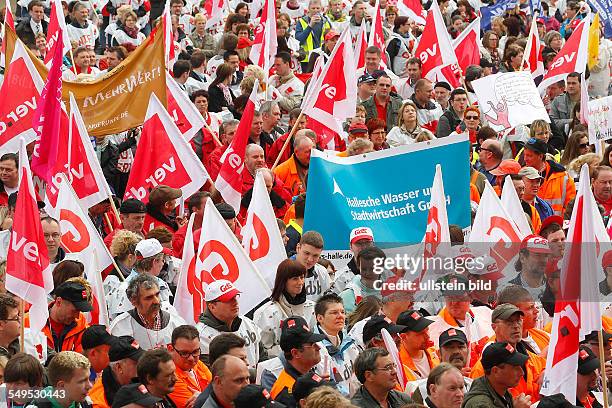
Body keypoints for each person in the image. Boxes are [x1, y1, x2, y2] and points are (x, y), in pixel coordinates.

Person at [469, 304, 545, 402]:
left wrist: (546, 372)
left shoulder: (533, 359)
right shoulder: (483, 368)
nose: (516, 326)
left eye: (518, 320)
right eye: (509, 322)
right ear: (494, 327)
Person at [254, 259, 316, 358]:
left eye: (302, 277)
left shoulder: (311, 307)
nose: (300, 282)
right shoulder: (266, 313)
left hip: (307, 364)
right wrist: (293, 351)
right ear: (283, 281)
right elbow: (263, 350)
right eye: (295, 278)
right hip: (279, 367)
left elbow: (315, 338)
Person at [196, 280, 263, 368]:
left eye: (235, 297)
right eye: (228, 300)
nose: (235, 302)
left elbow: (262, 354)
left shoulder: (247, 322)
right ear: (212, 306)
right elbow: (212, 372)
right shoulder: (201, 336)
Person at [110, 274, 187, 349]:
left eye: (157, 294)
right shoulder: (121, 327)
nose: (156, 301)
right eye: (149, 298)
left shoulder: (176, 323)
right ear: (134, 301)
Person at [107, 238, 173, 318]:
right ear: (154, 261)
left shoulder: (161, 283)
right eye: (163, 260)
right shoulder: (127, 290)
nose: (163, 263)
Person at [270, 316, 326, 407]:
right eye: (312, 344)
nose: (318, 348)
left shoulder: (307, 374)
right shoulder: (286, 394)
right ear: (296, 353)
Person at [25, 281, 92, 353]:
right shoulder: (29, 322)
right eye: (74, 311)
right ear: (59, 302)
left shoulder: (82, 325)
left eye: (80, 311)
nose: (77, 316)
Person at [313, 294, 360, 396]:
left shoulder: (349, 340)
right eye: (334, 313)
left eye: (342, 312)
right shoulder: (315, 348)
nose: (340, 316)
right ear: (320, 318)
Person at [462, 342, 531, 408]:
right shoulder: (480, 405)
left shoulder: (501, 392)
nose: (522, 373)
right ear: (496, 371)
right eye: (515, 368)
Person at [523, 137, 576, 216]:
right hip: (532, 225)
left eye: (529, 156)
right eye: (524, 155)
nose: (525, 159)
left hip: (556, 225)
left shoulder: (562, 176)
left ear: (540, 156)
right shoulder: (522, 175)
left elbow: (571, 206)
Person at [88, 335, 144, 407]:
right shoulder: (98, 402)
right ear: (119, 367)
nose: (142, 366)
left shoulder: (143, 381)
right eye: (136, 363)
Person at [168, 325, 212, 407]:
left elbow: (220, 391)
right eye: (184, 353)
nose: (191, 358)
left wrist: (202, 397)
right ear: (171, 349)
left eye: (195, 351)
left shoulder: (198, 364)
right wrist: (206, 397)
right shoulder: (169, 376)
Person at [396, 310, 440, 382]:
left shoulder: (435, 353)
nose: (427, 336)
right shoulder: (397, 364)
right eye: (421, 333)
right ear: (403, 336)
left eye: (427, 330)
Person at [340, 246, 386, 314]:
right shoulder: (348, 295)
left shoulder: (392, 292)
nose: (367, 273)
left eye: (372, 269)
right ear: (358, 266)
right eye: (364, 269)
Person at [334, 227, 375, 293]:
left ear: (373, 244)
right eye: (359, 243)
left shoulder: (385, 273)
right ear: (350, 246)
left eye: (367, 243)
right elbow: (329, 302)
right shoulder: (341, 277)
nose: (364, 247)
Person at [294, 231, 332, 301]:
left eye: (315, 255)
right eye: (307, 253)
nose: (310, 259)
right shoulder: (284, 271)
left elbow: (327, 300)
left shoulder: (322, 271)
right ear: (298, 248)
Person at [295, 0, 332, 71]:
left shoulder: (325, 21)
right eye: (313, 8)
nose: (315, 10)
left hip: (322, 57)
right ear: (309, 8)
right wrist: (310, 26)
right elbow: (298, 40)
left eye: (318, 8)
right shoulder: (302, 21)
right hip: (306, 59)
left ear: (321, 8)